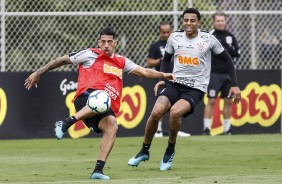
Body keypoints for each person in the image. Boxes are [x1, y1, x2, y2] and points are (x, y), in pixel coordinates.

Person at [24, 27, 175, 180]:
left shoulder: (121, 61)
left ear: (115, 43)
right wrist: (38, 73)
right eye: (103, 42)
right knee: (102, 98)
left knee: (112, 126)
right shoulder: (90, 54)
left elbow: (145, 71)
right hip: (85, 99)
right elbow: (61, 60)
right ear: (99, 43)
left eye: (110, 42)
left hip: (103, 107)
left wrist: (163, 75)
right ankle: (66, 123)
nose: (106, 45)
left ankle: (98, 170)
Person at [128, 8, 241, 171]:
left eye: (192, 20)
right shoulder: (175, 37)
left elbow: (228, 60)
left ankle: (170, 150)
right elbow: (166, 60)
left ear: (199, 22)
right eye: (186, 20)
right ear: (183, 21)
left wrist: (235, 84)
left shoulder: (209, 39)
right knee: (155, 112)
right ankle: (144, 150)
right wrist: (163, 79)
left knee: (174, 112)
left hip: (195, 89)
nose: (189, 23)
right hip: (174, 84)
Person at [146, 21, 191, 138]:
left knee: (178, 105)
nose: (166, 34)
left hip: (177, 78)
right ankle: (159, 130)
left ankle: (175, 128)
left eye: (168, 32)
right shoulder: (156, 46)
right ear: (160, 32)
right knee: (161, 105)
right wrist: (160, 60)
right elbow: (149, 61)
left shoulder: (177, 43)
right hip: (163, 78)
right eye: (163, 32)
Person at [203, 11, 240, 135]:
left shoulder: (230, 36)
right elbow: (203, 52)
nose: (220, 23)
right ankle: (206, 128)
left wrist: (229, 49)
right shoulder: (209, 36)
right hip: (214, 73)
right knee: (212, 100)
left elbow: (237, 53)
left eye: (222, 20)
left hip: (228, 74)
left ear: (226, 21)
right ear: (213, 22)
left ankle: (227, 129)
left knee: (228, 101)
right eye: (218, 20)